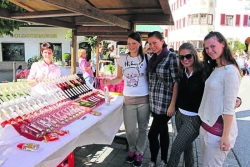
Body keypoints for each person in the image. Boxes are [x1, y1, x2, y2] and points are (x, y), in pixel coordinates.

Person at [104, 32, 150, 167]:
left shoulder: (147, 58)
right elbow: (119, 78)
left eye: (134, 43)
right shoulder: (122, 59)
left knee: (142, 128)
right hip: (128, 98)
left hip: (144, 98)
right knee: (130, 130)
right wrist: (109, 82)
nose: (131, 46)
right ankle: (132, 150)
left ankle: (139, 152)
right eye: (129, 43)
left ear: (140, 44)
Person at [199, 31, 241, 166]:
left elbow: (229, 108)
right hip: (206, 127)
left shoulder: (230, 71)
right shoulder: (214, 68)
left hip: (217, 134)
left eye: (213, 46)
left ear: (222, 44)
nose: (210, 51)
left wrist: (225, 136)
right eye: (206, 48)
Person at [167, 43, 204, 167]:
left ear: (194, 55)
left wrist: (236, 98)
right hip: (179, 115)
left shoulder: (204, 71)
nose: (185, 60)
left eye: (188, 56)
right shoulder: (182, 71)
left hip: (194, 119)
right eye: (181, 57)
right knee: (187, 147)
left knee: (176, 149)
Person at [147, 31, 179, 167]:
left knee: (152, 135)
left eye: (155, 42)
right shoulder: (152, 58)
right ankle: (163, 160)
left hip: (166, 103)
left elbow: (176, 81)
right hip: (154, 103)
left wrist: (173, 104)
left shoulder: (171, 57)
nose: (152, 46)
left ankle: (153, 159)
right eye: (150, 43)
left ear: (162, 41)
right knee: (163, 131)